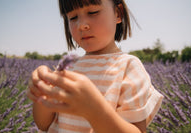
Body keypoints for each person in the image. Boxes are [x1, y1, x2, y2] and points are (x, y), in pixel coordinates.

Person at [27, 0, 164, 132]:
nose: (81, 25)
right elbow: (43, 124)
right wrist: (42, 91)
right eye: (73, 17)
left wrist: (94, 111)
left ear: (118, 13)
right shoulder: (68, 67)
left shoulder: (128, 67)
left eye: (93, 12)